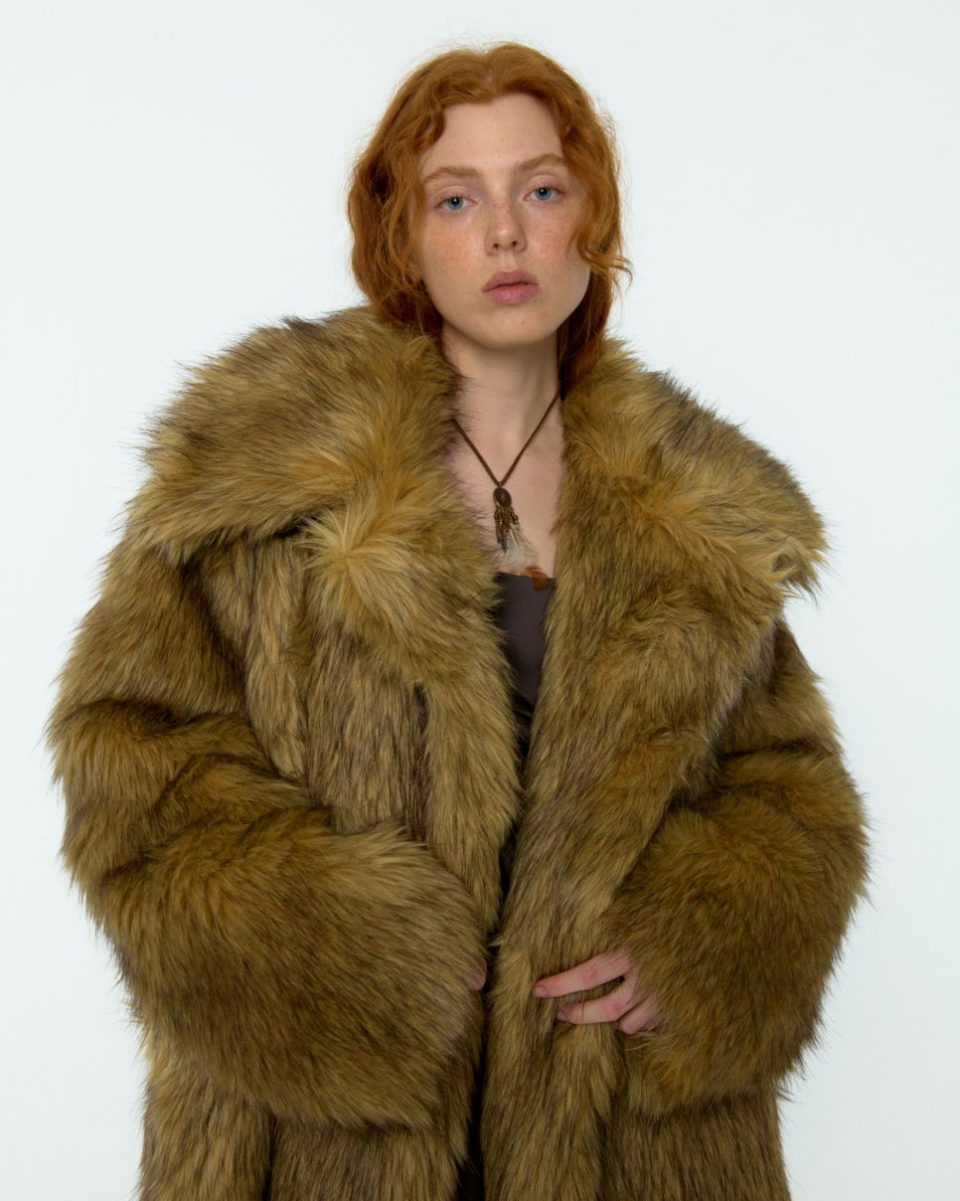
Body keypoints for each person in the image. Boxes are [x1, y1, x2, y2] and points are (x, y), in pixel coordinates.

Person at [49, 42, 867, 1201]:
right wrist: (346, 953)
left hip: (624, 1138)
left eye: (542, 189)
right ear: (403, 233)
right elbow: (131, 761)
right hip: (323, 1139)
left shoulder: (699, 513)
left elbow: (792, 792)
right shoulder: (261, 472)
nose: (505, 234)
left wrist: (703, 939)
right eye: (456, 199)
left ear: (593, 221)